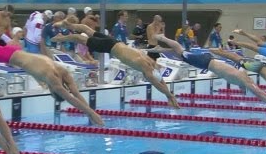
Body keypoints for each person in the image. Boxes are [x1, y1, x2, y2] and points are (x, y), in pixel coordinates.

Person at [48, 20, 180, 109]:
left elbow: (161, 81)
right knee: (80, 38)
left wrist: (169, 94)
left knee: (87, 30)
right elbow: (158, 83)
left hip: (114, 42)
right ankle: (61, 37)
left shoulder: (149, 61)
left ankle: (67, 24)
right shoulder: (148, 70)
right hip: (110, 48)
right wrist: (169, 96)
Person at [147, 33, 266, 112]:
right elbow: (259, 92)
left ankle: (161, 47)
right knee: (180, 51)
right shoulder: (244, 79)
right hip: (207, 62)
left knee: (182, 53)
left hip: (208, 61)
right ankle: (163, 39)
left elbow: (248, 87)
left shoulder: (241, 77)